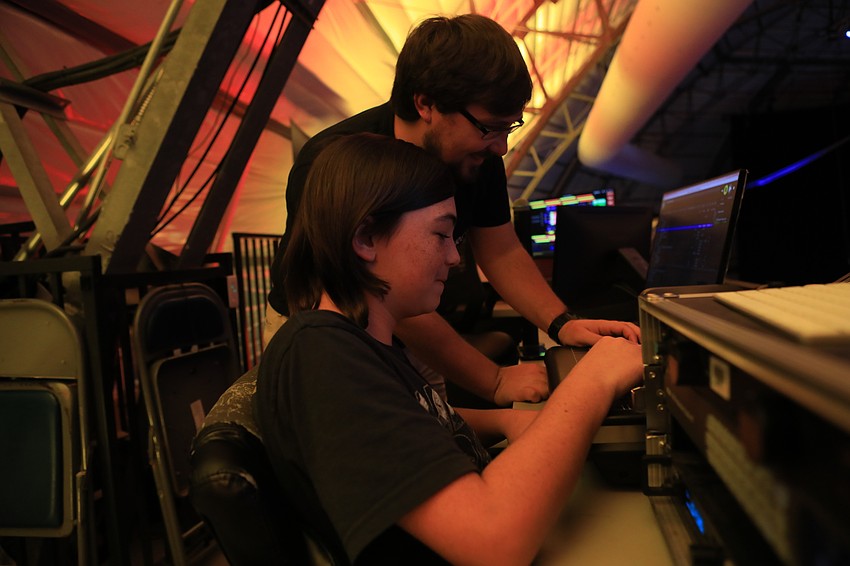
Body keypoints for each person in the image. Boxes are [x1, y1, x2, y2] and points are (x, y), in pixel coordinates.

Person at [255, 133, 643, 564]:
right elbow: (493, 542)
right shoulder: (321, 356)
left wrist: (506, 420)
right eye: (440, 234)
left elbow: (403, 423)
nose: (454, 258)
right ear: (365, 238)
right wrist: (593, 381)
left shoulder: (357, 342)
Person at [265, 13, 640, 407]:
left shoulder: (476, 158)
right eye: (490, 128)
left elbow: (501, 250)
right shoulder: (334, 164)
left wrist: (562, 323)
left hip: (411, 328)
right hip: (327, 339)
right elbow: (379, 295)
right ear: (426, 103)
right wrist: (494, 379)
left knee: (440, 430)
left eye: (509, 128)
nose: (501, 148)